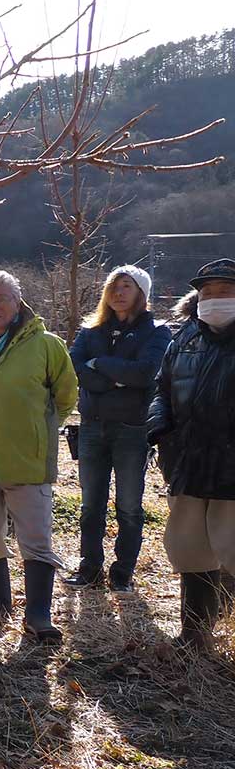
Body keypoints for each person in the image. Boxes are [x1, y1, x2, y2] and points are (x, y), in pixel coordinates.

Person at [0, 270, 77, 644]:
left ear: (18, 302)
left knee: (36, 540)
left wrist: (38, 431)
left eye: (2, 297)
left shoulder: (47, 344)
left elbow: (66, 395)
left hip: (28, 460)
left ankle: (38, 613)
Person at [148, 258, 235, 653]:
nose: (215, 299)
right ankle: (195, 634)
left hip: (231, 466)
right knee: (190, 549)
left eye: (225, 291)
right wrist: (159, 426)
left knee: (232, 546)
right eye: (208, 293)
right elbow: (161, 390)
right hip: (188, 463)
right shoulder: (183, 340)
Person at [66, 266, 170, 593]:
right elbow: (76, 367)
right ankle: (89, 569)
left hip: (132, 429)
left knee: (128, 506)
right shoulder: (90, 329)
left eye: (127, 286)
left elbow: (145, 373)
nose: (119, 293)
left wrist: (100, 366)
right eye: (114, 286)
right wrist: (114, 378)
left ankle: (123, 572)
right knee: (89, 506)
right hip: (93, 427)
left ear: (142, 292)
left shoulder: (156, 331)